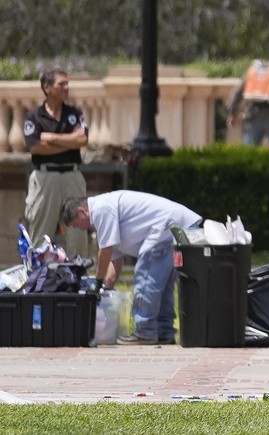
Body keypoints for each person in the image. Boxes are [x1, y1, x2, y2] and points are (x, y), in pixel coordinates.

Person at [61, 191, 203, 345]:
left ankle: (144, 331)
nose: (79, 229)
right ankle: (164, 332)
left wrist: (97, 282)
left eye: (76, 224)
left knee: (146, 280)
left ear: (82, 212)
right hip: (172, 228)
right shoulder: (106, 219)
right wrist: (105, 291)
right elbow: (115, 263)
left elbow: (105, 251)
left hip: (164, 229)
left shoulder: (101, 208)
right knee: (163, 286)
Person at [24, 67, 89, 258]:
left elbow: (82, 140)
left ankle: (78, 276)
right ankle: (39, 279)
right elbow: (34, 146)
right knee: (41, 231)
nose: (67, 87)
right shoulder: (34, 116)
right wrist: (70, 141)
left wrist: (50, 137)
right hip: (45, 178)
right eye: (62, 84)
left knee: (78, 229)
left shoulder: (74, 113)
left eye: (67, 83)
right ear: (47, 88)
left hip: (72, 175)